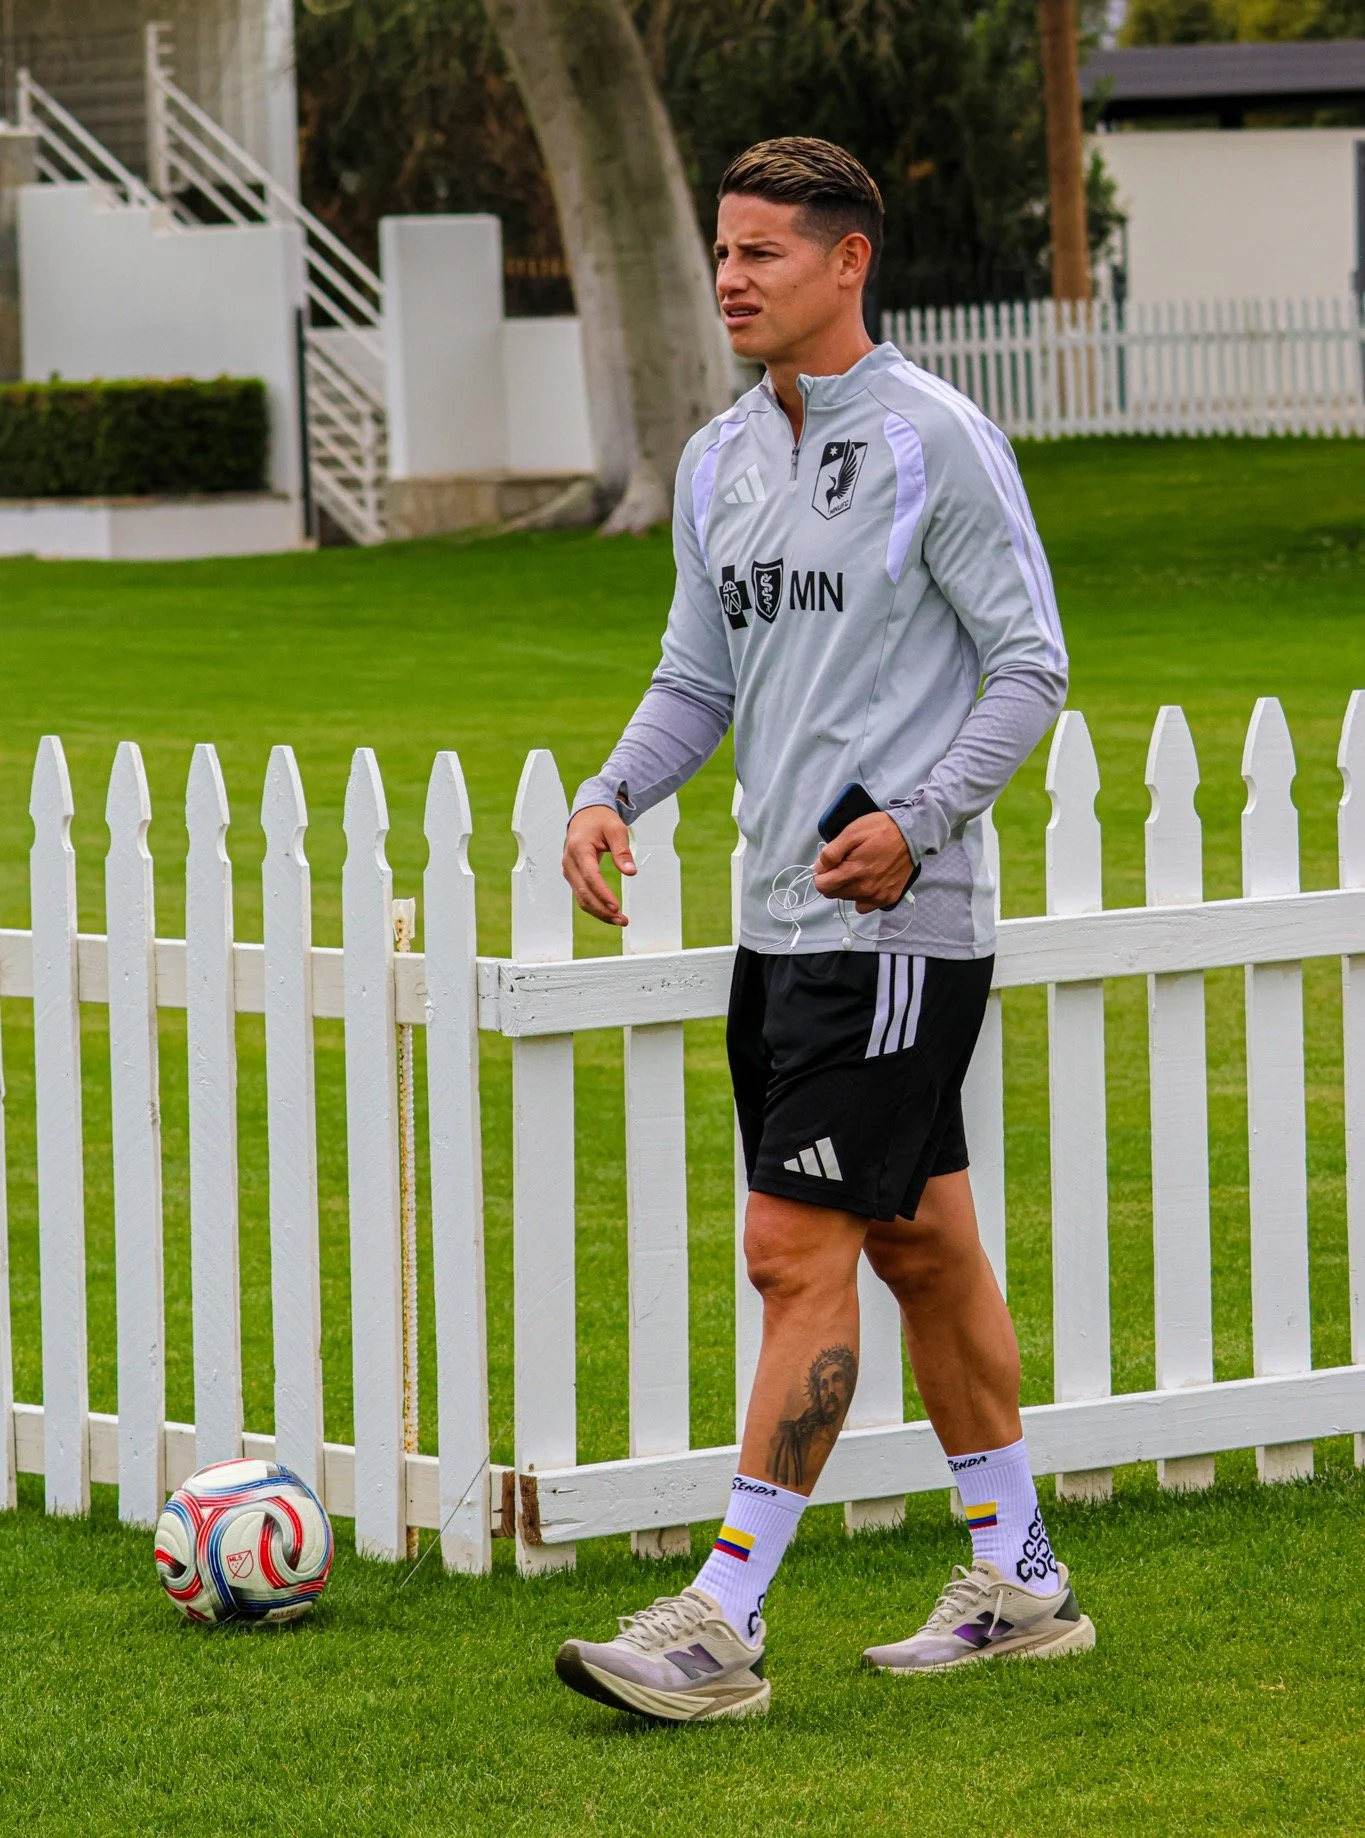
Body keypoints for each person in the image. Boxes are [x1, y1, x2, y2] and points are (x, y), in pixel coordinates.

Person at [555, 136, 1093, 1724]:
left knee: (793, 1251)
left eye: (763, 251)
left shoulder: (940, 440)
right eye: (723, 250)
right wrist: (612, 792)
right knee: (923, 1246)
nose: (730, 277)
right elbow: (699, 678)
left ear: (850, 261)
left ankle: (720, 1620)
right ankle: (1021, 1577)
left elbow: (1032, 665)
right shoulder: (718, 460)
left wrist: (918, 818)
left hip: (903, 932)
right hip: (778, 930)